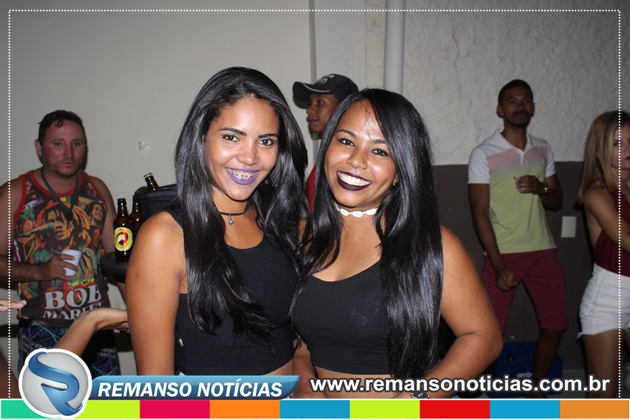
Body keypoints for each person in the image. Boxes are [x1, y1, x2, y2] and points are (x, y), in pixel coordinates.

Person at [292, 89, 502, 398]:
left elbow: (483, 337)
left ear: (400, 172)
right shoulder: (300, 237)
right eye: (346, 141)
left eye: (380, 151)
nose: (356, 160)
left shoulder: (430, 245)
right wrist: (307, 387)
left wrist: (412, 402)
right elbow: (301, 340)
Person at [126, 67, 307, 375]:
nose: (249, 157)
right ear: (201, 138)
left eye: (266, 141)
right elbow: (155, 387)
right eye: (231, 137)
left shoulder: (281, 222)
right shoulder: (165, 237)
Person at [0, 110, 121, 378]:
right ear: (39, 147)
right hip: (42, 328)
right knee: (45, 403)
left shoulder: (98, 189)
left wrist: (137, 312)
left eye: (76, 143)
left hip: (97, 326)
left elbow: (118, 259)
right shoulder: (15, 193)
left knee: (109, 402)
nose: (68, 152)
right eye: (58, 143)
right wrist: (41, 271)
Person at [468, 80, 566, 397]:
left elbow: (557, 200)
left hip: (543, 251)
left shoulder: (543, 149)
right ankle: (481, 393)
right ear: (500, 109)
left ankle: (537, 390)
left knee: (556, 325)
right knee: (488, 332)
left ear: (533, 106)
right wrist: (497, 264)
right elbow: (479, 212)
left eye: (526, 100)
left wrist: (541, 188)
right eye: (512, 101)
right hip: (503, 254)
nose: (520, 106)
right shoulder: (484, 153)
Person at [576, 110, 630, 398]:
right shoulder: (596, 193)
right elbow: (627, 239)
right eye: (618, 143)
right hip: (610, 298)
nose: (628, 149)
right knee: (604, 400)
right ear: (600, 150)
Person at [293, 74, 359, 211]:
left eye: (319, 102)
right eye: (310, 102)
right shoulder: (329, 154)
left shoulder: (351, 160)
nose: (309, 110)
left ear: (344, 107)